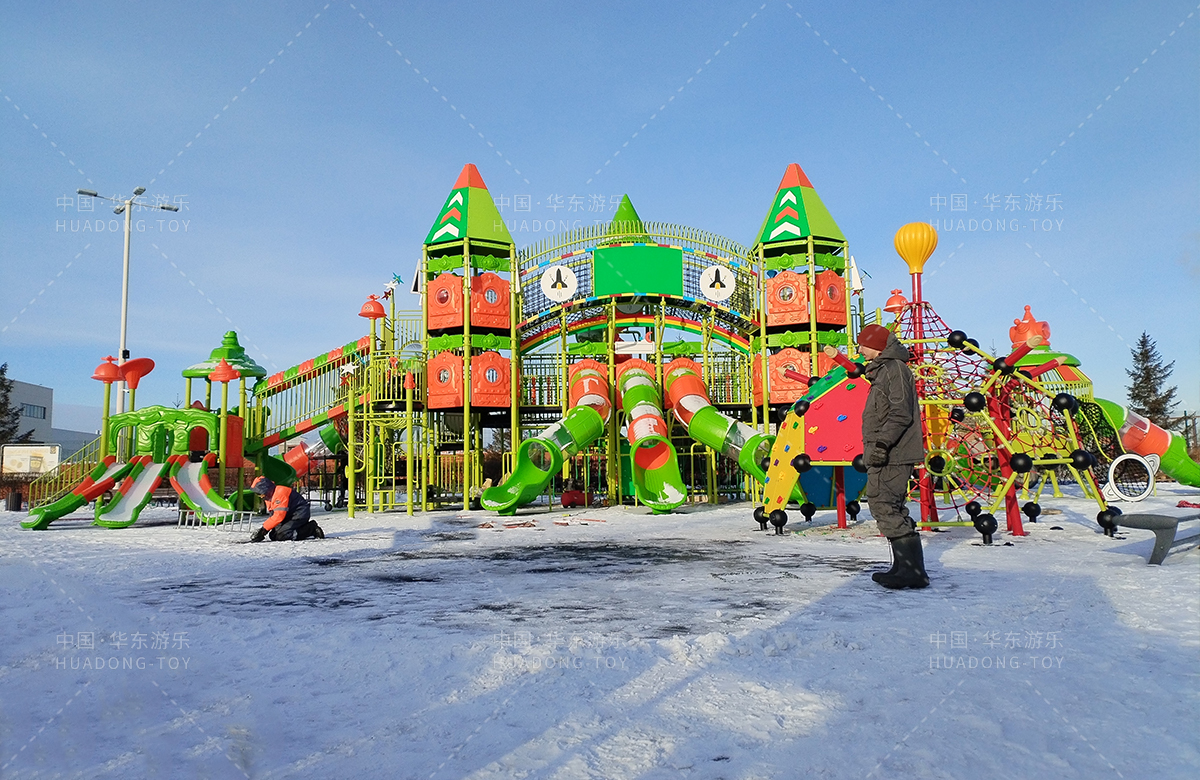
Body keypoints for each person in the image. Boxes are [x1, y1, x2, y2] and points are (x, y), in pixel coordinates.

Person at [855, 324, 929, 589]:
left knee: (884, 503)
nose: (860, 350)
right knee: (887, 504)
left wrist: (882, 444)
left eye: (863, 345)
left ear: (877, 347)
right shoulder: (884, 370)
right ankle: (904, 567)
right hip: (888, 451)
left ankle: (912, 572)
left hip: (893, 452)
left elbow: (900, 413)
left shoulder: (893, 369)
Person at [249, 476, 324, 542]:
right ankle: (302, 528)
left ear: (265, 489)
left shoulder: (280, 494)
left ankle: (311, 529)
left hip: (299, 514)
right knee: (274, 535)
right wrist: (265, 530)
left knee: (283, 536)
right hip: (290, 515)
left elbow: (279, 516)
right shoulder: (269, 495)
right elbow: (274, 514)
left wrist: (264, 530)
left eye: (259, 493)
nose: (260, 496)